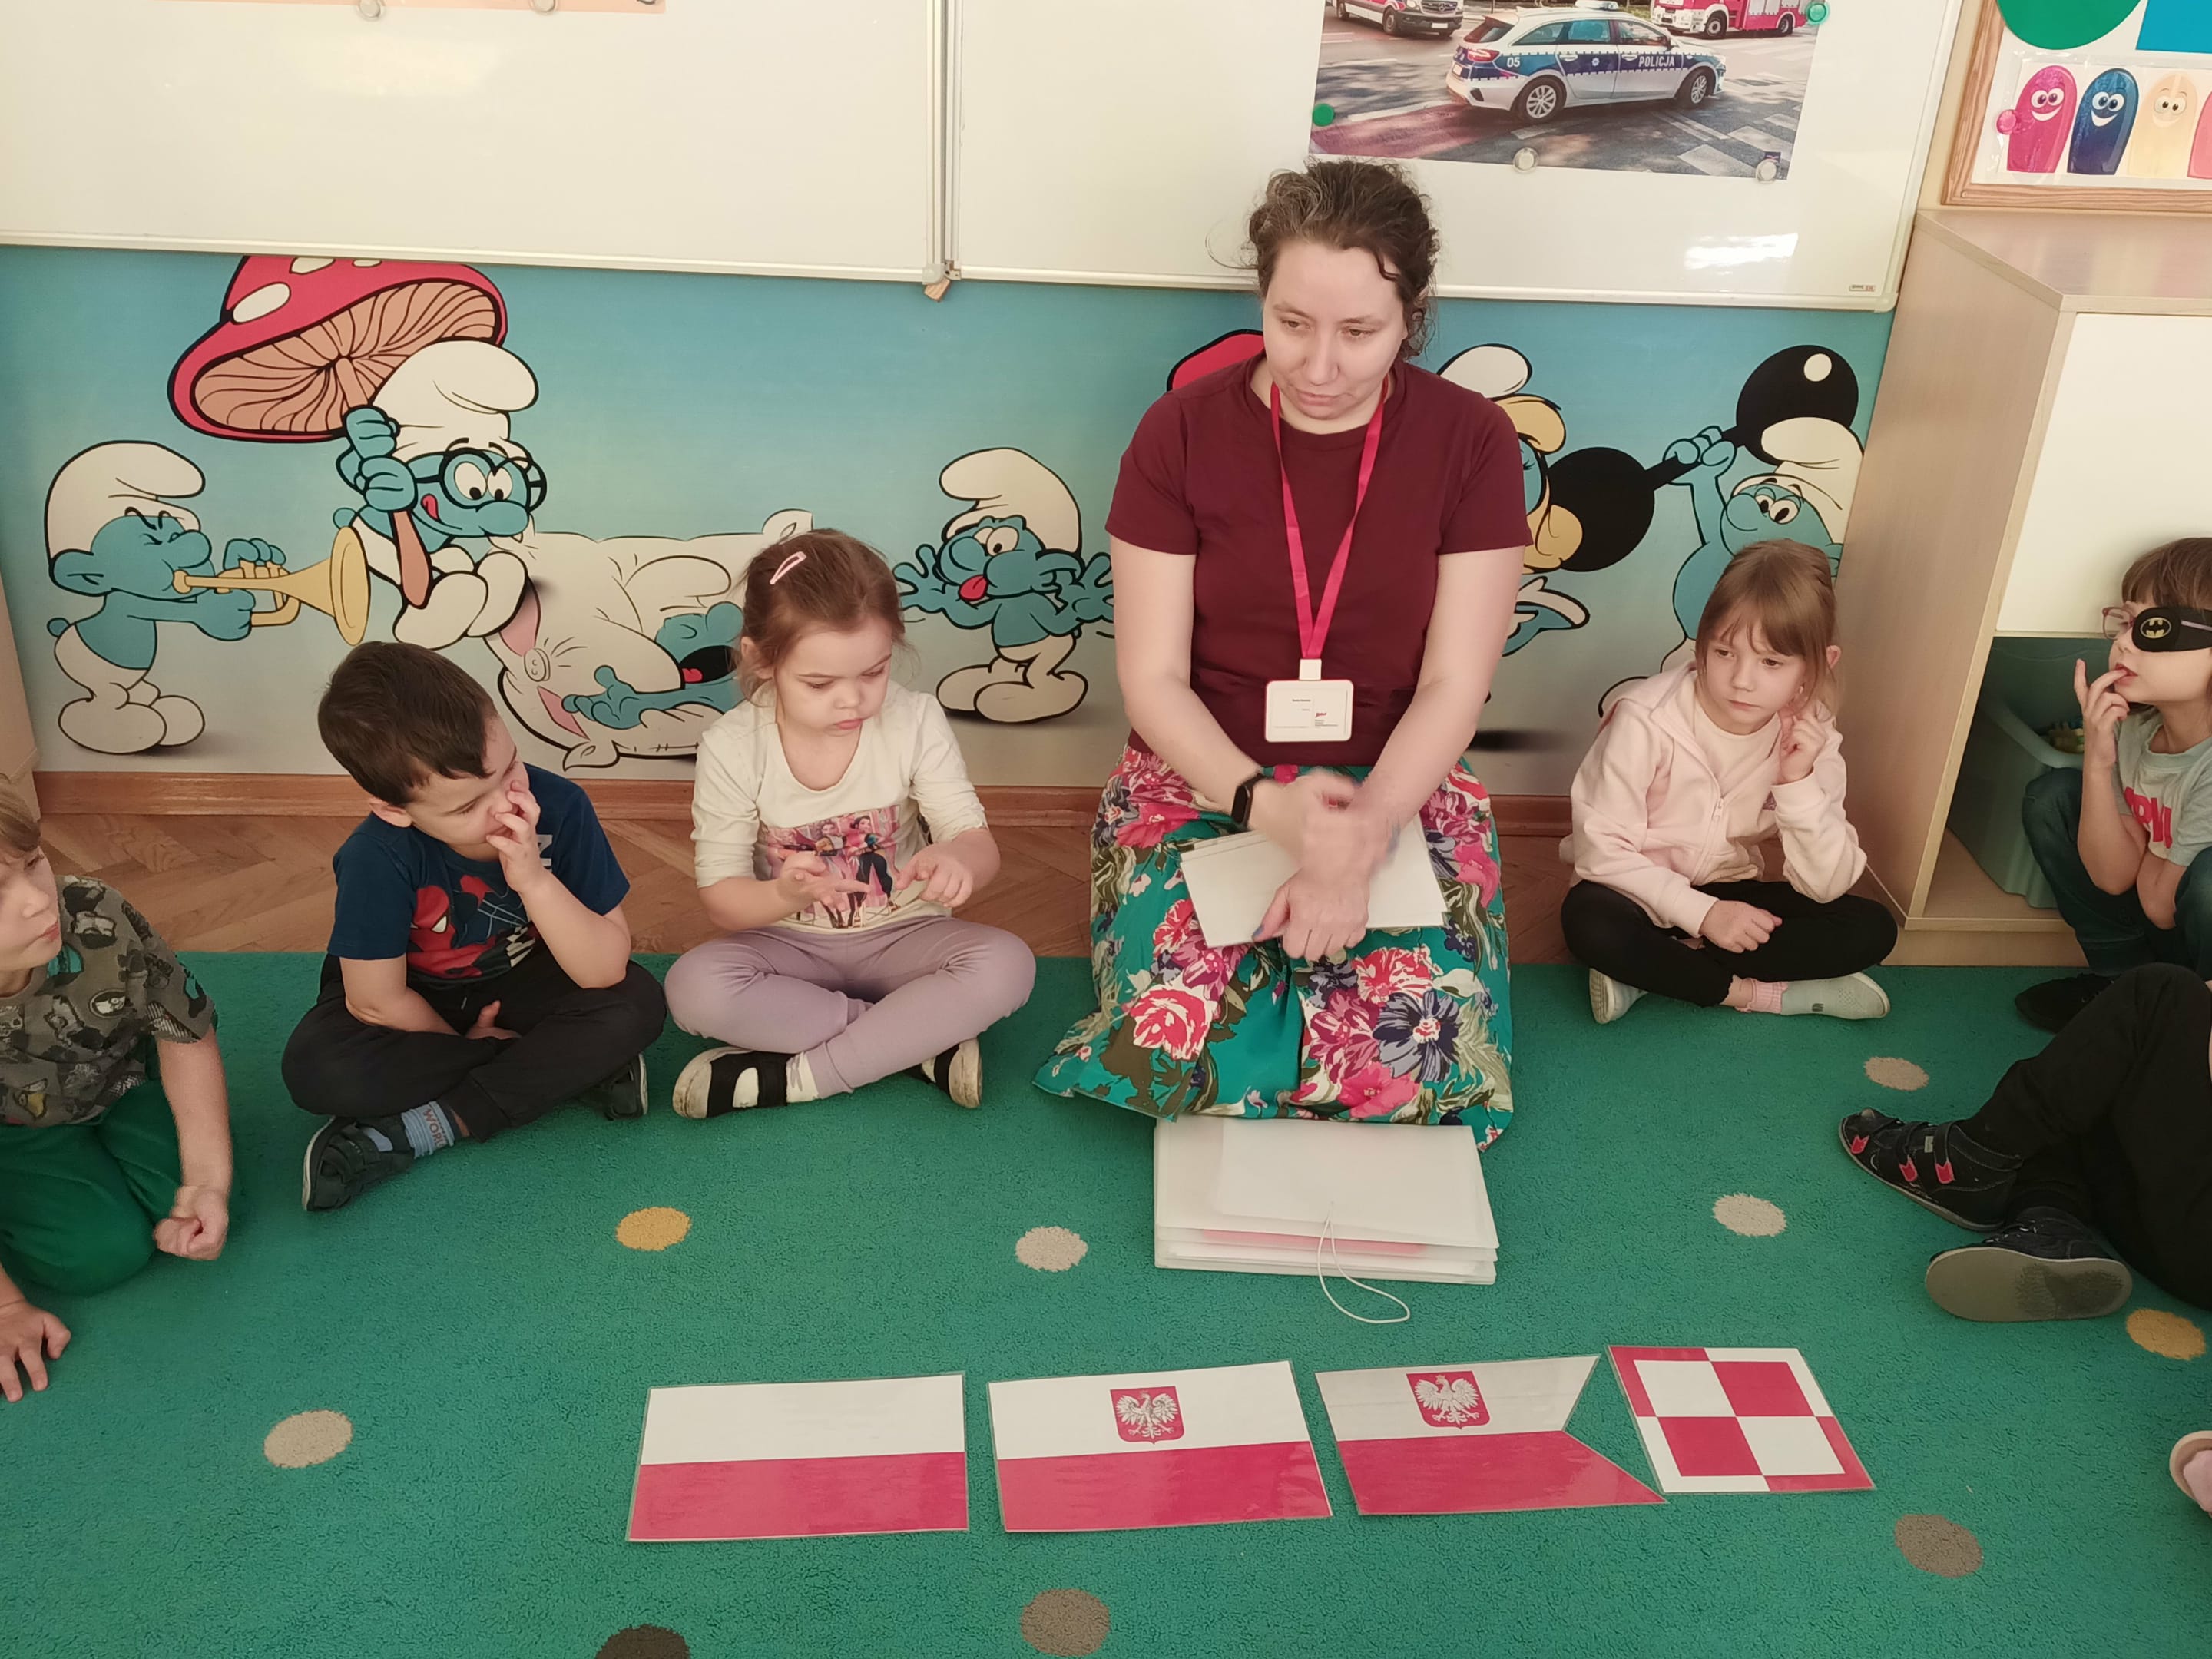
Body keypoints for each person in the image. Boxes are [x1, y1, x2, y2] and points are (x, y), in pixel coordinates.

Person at [1037, 159, 1528, 1133]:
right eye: (1292, 323)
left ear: (1412, 318)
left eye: (1360, 333)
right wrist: (1271, 812)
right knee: (1173, 1048)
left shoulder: (1471, 440)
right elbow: (1153, 680)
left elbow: (1455, 682)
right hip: (1205, 776)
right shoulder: (1178, 434)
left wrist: (1356, 839)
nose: (1320, 367)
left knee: (1423, 1057)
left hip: (1395, 778)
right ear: (1261, 298)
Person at [283, 642, 666, 1211]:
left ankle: (428, 1126)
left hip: (522, 980)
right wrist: (465, 1044)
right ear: (393, 809)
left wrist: (534, 881)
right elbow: (377, 1002)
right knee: (317, 1071)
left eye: (509, 769)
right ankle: (558, 1070)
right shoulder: (375, 856)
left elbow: (605, 968)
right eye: (466, 808)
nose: (507, 806)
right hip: (410, 1004)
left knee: (637, 1003)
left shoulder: (561, 806)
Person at [664, 531, 1035, 1114]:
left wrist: (959, 858)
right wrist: (784, 895)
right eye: (819, 684)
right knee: (693, 988)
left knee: (1008, 965)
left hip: (906, 936)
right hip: (788, 945)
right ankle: (914, 1044)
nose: (853, 701)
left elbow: (975, 841)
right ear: (761, 659)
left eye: (874, 672)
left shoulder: (915, 720)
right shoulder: (732, 746)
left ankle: (798, 1077)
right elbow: (723, 902)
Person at [1561, 538, 1896, 1024]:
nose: (1742, 680)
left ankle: (1655, 972)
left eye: (1771, 662)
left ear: (1818, 665)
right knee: (1587, 921)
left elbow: (1826, 885)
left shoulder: (1813, 736)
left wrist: (1797, 783)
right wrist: (1704, 916)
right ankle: (1751, 993)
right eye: (1724, 652)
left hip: (1728, 891)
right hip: (1634, 892)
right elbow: (1601, 852)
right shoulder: (1645, 718)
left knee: (1871, 927)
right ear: (1701, 643)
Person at [0, 791, 231, 1401]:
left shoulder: (94, 910)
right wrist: (5, 1306)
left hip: (117, 1077)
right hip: (15, 1133)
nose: (37, 899)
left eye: (33, 862)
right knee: (99, 1256)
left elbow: (184, 1032)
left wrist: (208, 1181)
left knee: (193, 1203)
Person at [1839, 963, 2210, 1323]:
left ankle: (1971, 1159)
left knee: (2163, 995)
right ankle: (2050, 1223)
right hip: (2177, 1243)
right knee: (2097, 1082)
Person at [2016, 538, 2212, 1033]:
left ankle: (2191, 1020)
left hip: (2193, 941)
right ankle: (2120, 981)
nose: (2125, 643)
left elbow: (2160, 907)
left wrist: (2142, 848)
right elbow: (2111, 877)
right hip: (2160, 917)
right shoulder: (2136, 728)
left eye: (2155, 628)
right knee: (2054, 797)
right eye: (2125, 623)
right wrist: (2098, 763)